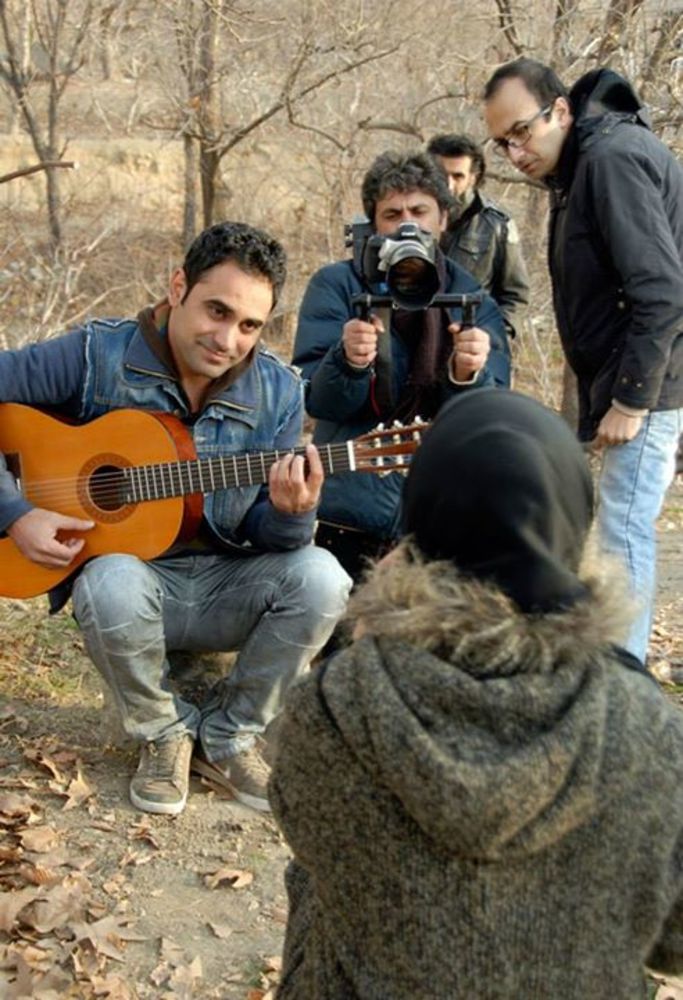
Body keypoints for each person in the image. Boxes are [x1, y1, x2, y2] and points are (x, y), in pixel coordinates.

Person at [269, 389, 683, 1000]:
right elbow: (672, 944)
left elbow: (311, 845)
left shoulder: (333, 707)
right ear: (575, 524)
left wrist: (373, 634)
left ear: (418, 526)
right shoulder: (645, 723)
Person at [0, 221, 351, 817]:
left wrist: (295, 514)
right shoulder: (94, 354)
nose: (227, 339)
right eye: (216, 310)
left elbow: (268, 533)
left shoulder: (280, 392)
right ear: (177, 286)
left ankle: (230, 734)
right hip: (127, 588)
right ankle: (162, 732)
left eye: (249, 326)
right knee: (112, 579)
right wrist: (17, 513)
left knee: (324, 577)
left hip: (224, 586)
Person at [483, 58, 683, 665]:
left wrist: (630, 400)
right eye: (502, 142)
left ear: (561, 110)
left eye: (522, 131)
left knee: (622, 532)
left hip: (654, 384)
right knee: (613, 526)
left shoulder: (610, 160)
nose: (516, 151)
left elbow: (661, 291)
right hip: (635, 378)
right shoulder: (582, 167)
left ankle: (622, 693)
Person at [292, 150, 508, 581]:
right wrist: (349, 361)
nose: (407, 223)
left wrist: (467, 375)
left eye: (419, 210)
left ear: (443, 218)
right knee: (341, 640)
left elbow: (490, 418)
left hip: (441, 511)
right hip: (352, 508)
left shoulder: (472, 300)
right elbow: (316, 398)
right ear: (374, 224)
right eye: (392, 214)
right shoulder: (337, 286)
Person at [427, 132, 530, 358]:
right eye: (441, 175)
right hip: (417, 343)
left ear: (474, 177)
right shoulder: (409, 217)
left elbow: (516, 296)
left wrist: (492, 338)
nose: (449, 185)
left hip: (471, 346)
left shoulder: (497, 225)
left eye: (458, 176)